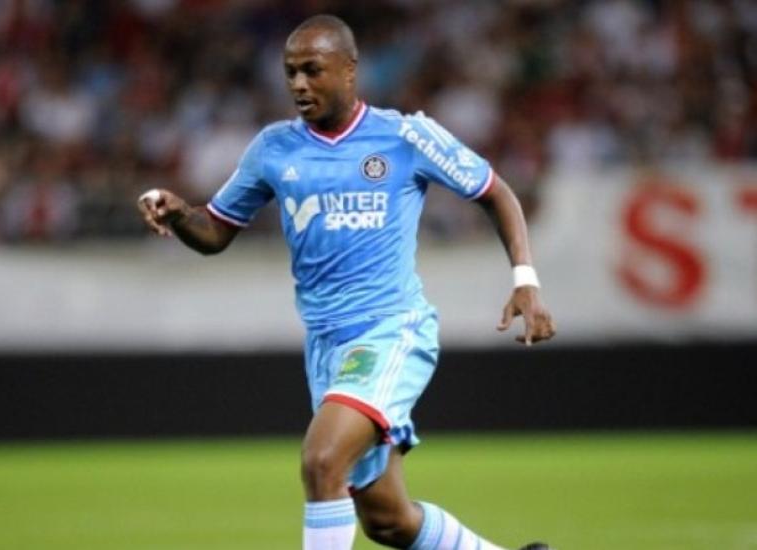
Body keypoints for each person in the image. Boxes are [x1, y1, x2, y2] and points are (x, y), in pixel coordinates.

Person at [138, 14, 556, 550]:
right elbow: (216, 230)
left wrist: (525, 279)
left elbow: (495, 192)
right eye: (290, 72)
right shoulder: (273, 148)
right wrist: (179, 213)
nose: (298, 84)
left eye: (312, 70)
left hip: (389, 330)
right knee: (387, 520)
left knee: (322, 460)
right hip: (326, 347)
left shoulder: (405, 136)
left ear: (350, 70)